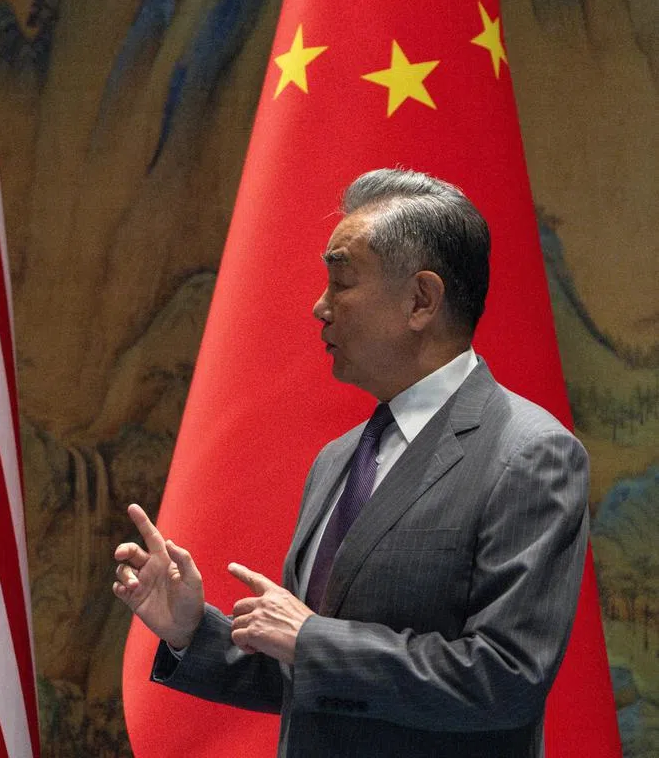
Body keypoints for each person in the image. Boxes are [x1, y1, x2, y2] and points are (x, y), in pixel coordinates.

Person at [113, 168, 589, 757]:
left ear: (421, 300)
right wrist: (192, 631)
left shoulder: (530, 453)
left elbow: (506, 677)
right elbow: (314, 672)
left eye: (341, 282)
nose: (319, 307)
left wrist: (312, 639)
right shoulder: (339, 458)